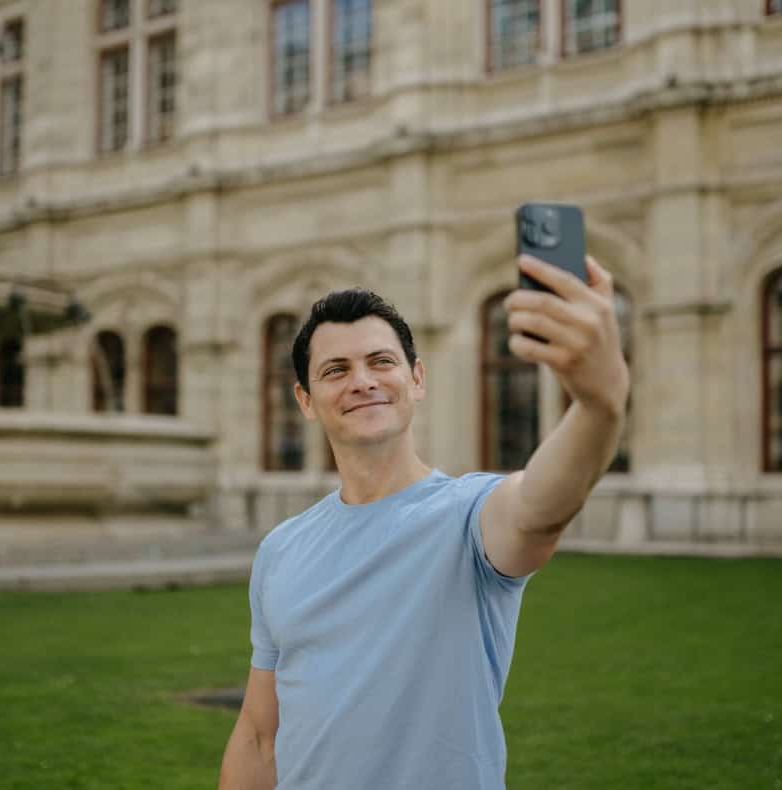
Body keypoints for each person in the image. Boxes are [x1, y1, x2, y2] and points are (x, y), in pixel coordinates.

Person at [218, 254, 630, 789]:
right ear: (306, 400)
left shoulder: (469, 515)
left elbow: (542, 509)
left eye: (381, 362)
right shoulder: (281, 548)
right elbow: (258, 735)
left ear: (416, 379)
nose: (362, 381)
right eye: (336, 370)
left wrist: (601, 402)